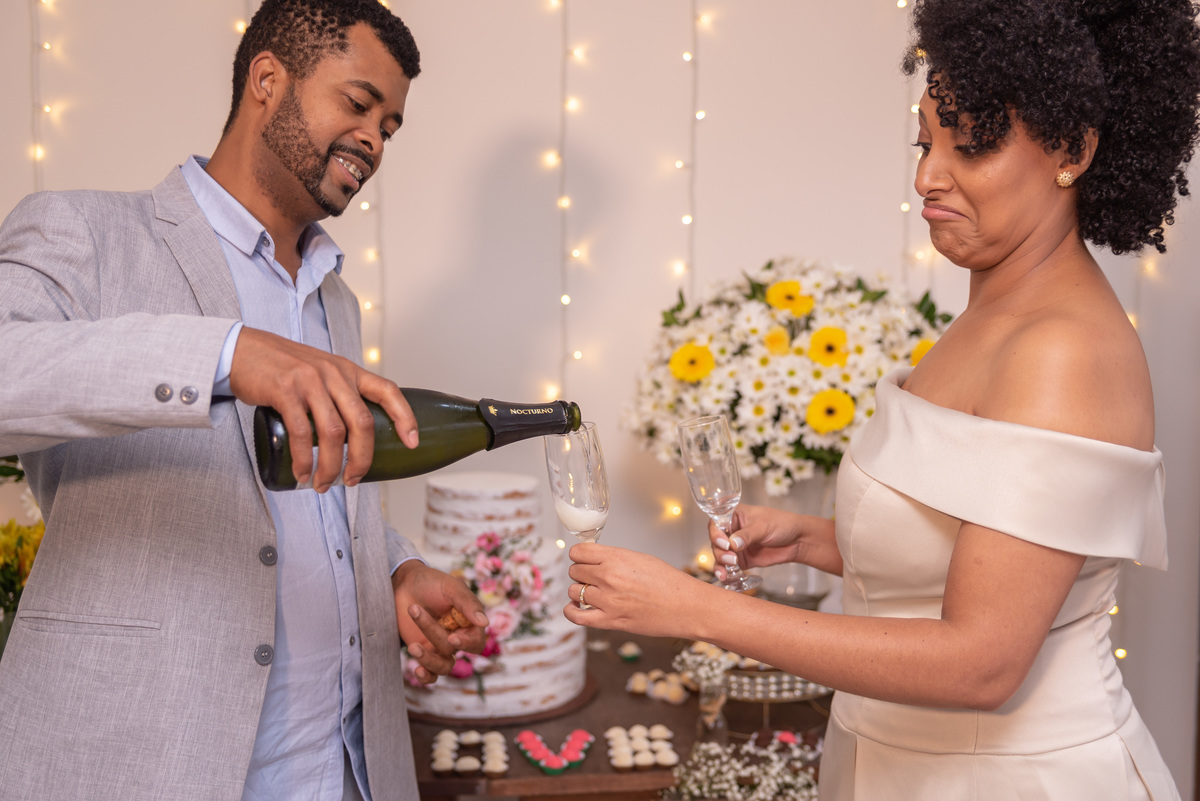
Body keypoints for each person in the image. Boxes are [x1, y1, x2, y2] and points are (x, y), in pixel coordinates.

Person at [565, 0, 1200, 798]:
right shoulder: (993, 312)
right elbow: (975, 542)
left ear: (1071, 148)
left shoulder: (1061, 349)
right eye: (925, 139)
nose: (927, 175)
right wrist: (813, 540)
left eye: (969, 141)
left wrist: (699, 610)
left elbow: (982, 663)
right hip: (897, 762)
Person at [0, 2, 489, 800]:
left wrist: (392, 571)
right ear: (268, 79)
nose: (373, 138)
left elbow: (306, 498)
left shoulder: (338, 301)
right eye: (358, 104)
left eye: (390, 126)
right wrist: (225, 353)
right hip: (149, 767)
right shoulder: (86, 231)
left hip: (343, 773)